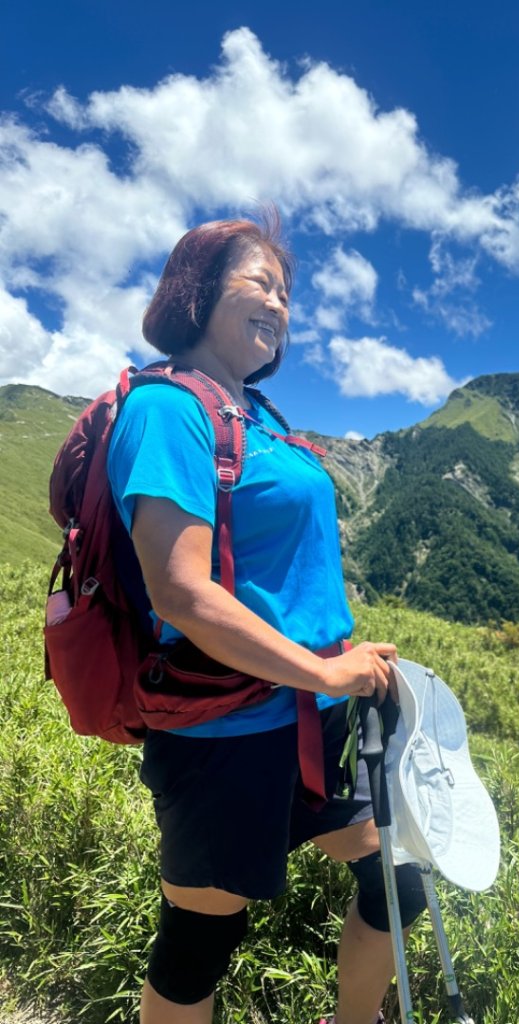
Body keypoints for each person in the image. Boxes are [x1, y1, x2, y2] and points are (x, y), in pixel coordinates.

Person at [107, 212, 426, 1024]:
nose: (279, 305)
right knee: (198, 947)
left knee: (398, 880)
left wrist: (340, 657)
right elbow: (180, 592)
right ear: (198, 289)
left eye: (286, 293)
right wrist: (322, 670)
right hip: (224, 737)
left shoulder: (263, 419)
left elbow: (283, 572)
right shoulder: (167, 411)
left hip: (314, 717)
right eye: (260, 283)